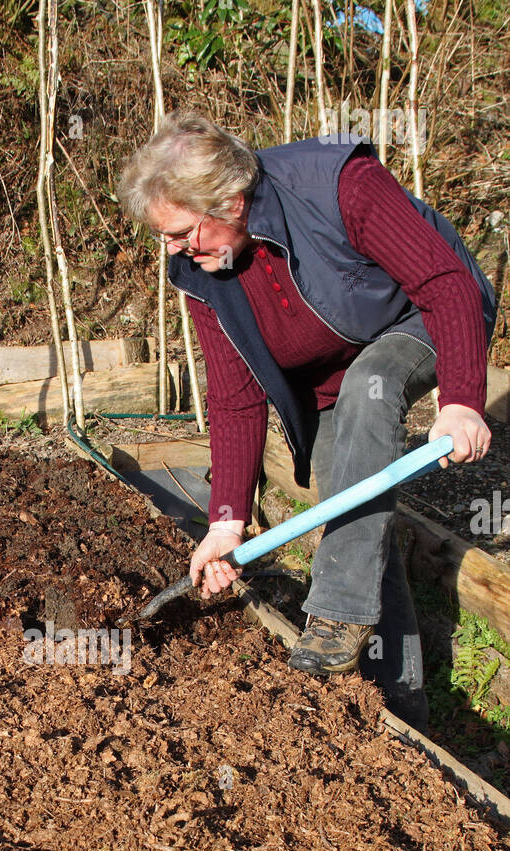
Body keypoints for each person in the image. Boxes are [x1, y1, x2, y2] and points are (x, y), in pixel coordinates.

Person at [116, 112, 496, 732]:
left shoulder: (338, 184)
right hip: (328, 377)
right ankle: (402, 715)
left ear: (231, 202)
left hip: (428, 320)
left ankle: (337, 617)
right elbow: (237, 397)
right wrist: (225, 521)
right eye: (165, 238)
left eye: (184, 233)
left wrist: (460, 399)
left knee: (368, 398)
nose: (174, 251)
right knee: (356, 517)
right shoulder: (199, 272)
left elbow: (443, 280)